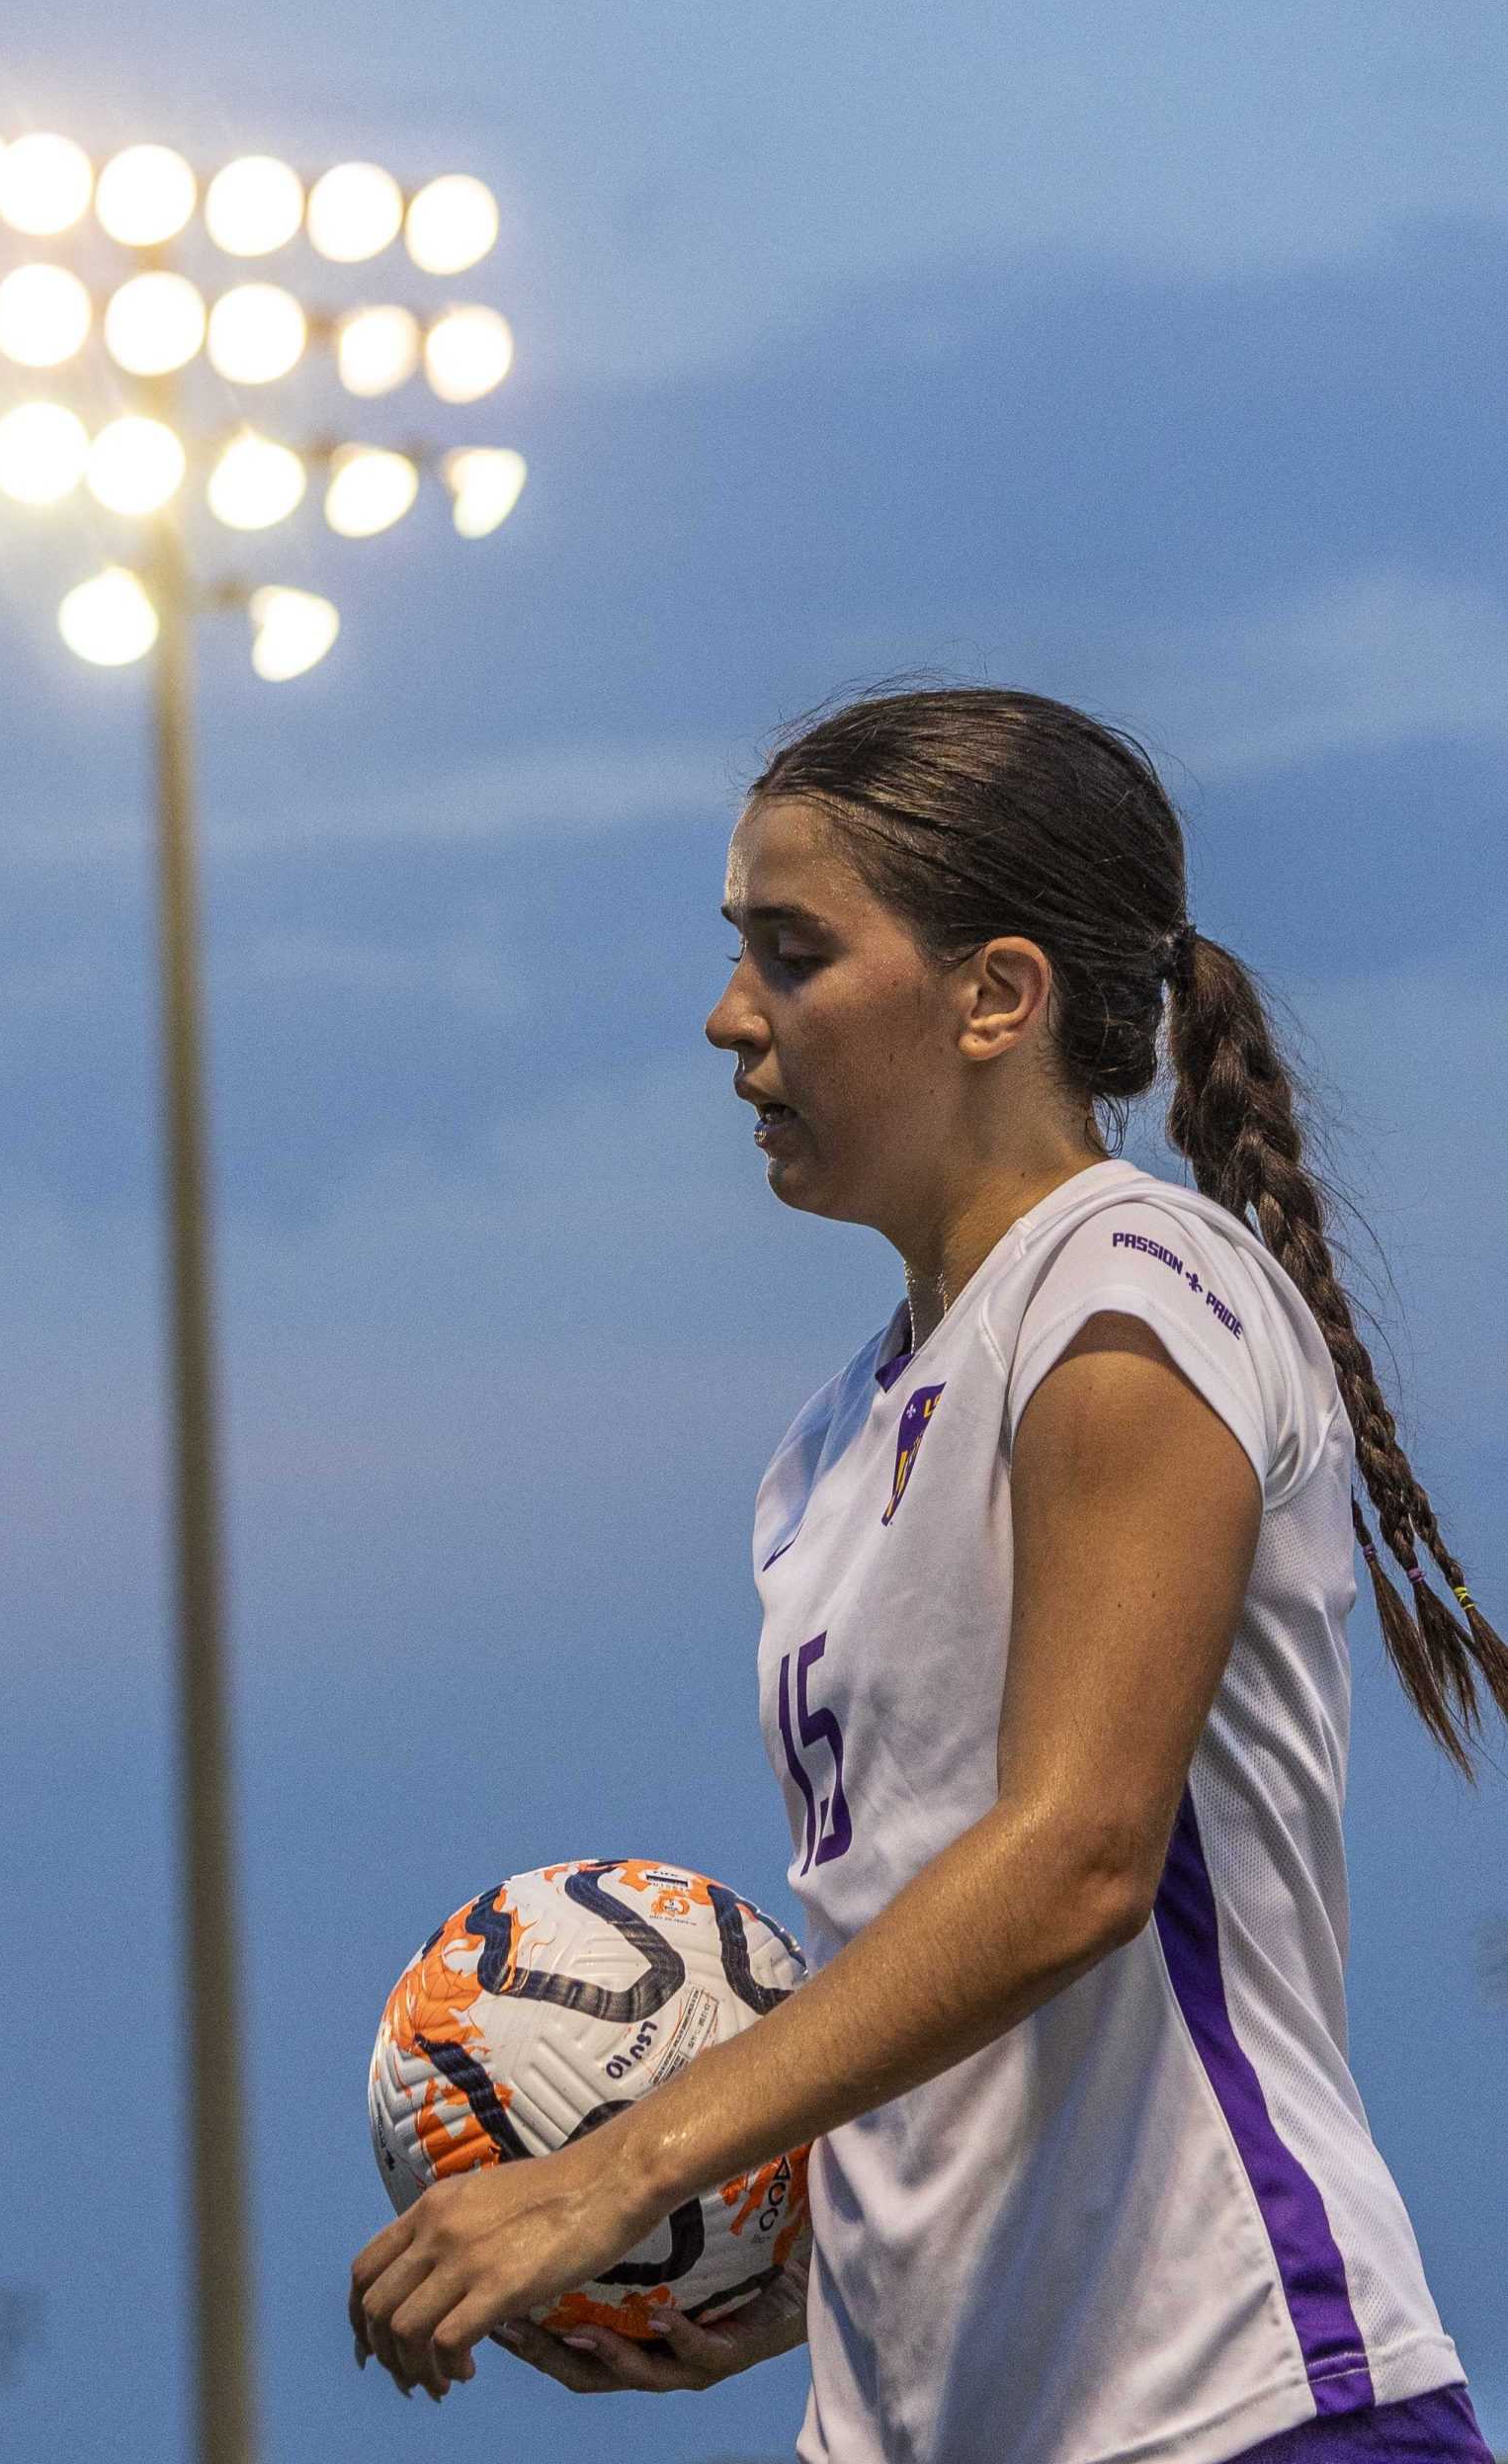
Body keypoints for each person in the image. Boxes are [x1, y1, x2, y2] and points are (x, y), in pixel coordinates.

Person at [350, 687, 1505, 2462]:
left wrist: (619, 2173)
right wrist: (747, 2276)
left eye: (792, 954)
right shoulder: (830, 1441)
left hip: (1231, 2404)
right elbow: (931, 1962)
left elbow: (1082, 1860)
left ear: (997, 995)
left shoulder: (1127, 1288)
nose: (730, 1017)